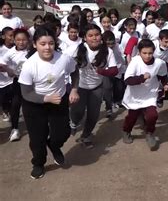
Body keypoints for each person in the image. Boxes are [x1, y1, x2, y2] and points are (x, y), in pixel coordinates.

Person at [18, 26, 79, 179]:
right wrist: (45, 98)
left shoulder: (63, 58)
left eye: (51, 43)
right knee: (38, 139)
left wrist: (74, 89)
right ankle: (38, 163)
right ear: (34, 44)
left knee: (63, 133)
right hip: (34, 105)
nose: (47, 47)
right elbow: (26, 93)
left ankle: (54, 145)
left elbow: (75, 71)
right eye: (42, 44)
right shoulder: (29, 65)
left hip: (58, 101)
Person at [65, 24, 118, 148]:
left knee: (93, 115)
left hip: (97, 87)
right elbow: (62, 63)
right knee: (77, 112)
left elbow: (114, 70)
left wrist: (102, 71)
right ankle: (73, 122)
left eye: (97, 35)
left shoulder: (107, 51)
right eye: (90, 36)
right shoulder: (75, 49)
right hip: (79, 87)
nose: (94, 38)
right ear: (85, 38)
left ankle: (86, 136)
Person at [122, 39, 168, 149]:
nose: (147, 56)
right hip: (135, 96)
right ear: (139, 52)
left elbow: (163, 75)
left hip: (150, 95)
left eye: (150, 53)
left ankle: (149, 133)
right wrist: (141, 78)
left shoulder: (159, 63)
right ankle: (126, 131)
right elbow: (128, 80)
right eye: (144, 53)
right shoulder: (135, 61)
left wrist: (165, 84)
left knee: (153, 115)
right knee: (132, 117)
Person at [0, 28, 30, 141]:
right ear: (14, 40)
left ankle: (39, 128)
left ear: (28, 40)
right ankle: (15, 129)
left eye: (24, 40)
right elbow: (3, 64)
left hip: (33, 84)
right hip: (18, 82)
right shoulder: (10, 53)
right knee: (15, 105)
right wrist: (9, 70)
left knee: (32, 106)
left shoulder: (32, 50)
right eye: (18, 40)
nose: (21, 42)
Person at [102, 31, 126, 117]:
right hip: (106, 72)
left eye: (112, 43)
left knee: (119, 88)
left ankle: (118, 101)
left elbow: (123, 57)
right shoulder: (101, 49)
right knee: (107, 89)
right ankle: (109, 107)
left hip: (118, 71)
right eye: (108, 44)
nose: (110, 46)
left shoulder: (119, 47)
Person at [0, 27, 14, 121]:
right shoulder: (1, 49)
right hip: (2, 81)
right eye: (10, 35)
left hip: (13, 79)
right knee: (3, 99)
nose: (12, 37)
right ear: (3, 36)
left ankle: (10, 112)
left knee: (13, 98)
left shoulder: (15, 48)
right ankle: (5, 111)